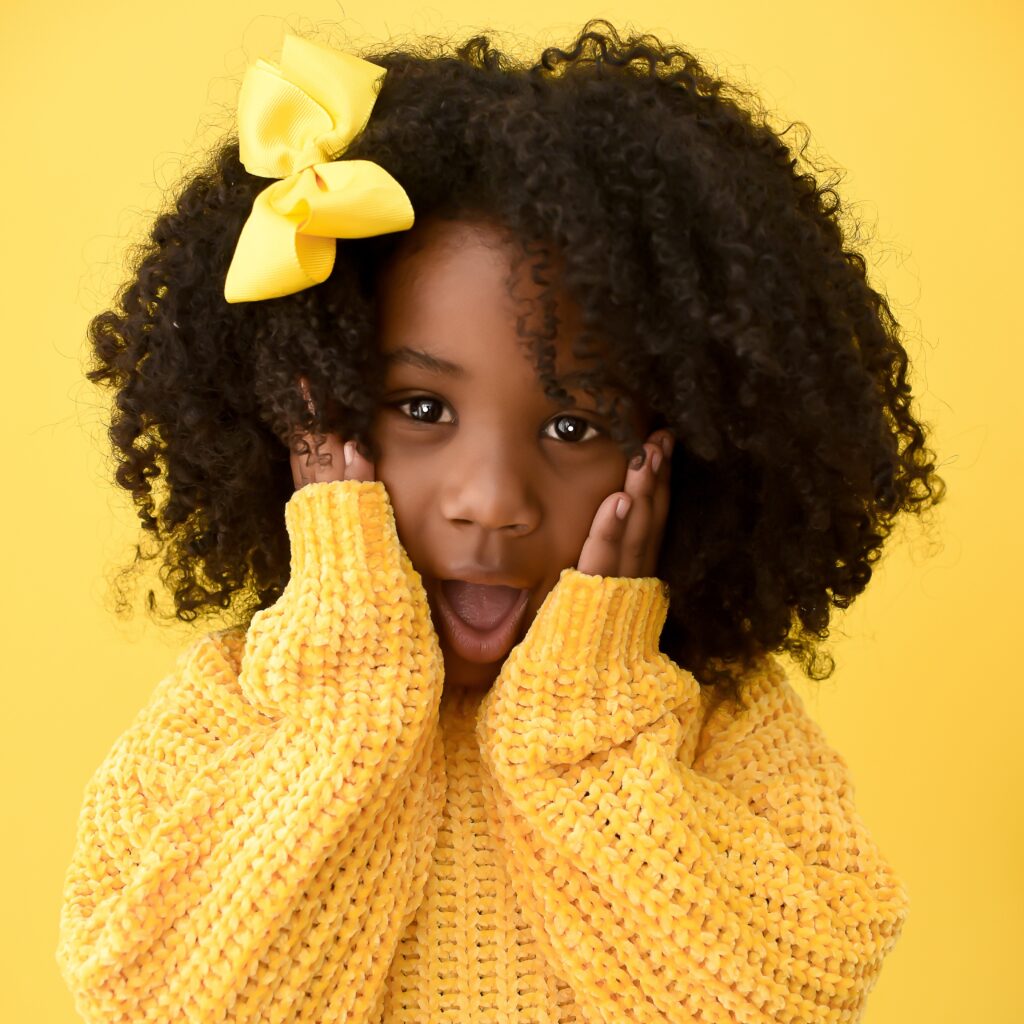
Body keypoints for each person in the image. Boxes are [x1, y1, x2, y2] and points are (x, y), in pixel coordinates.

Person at [55, 19, 944, 1023]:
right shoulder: (236, 713)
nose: (492, 497)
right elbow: (164, 1006)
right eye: (422, 409)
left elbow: (786, 999)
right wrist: (352, 692)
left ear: (684, 446)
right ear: (313, 417)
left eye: (572, 423)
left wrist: (586, 719)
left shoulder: (716, 723)